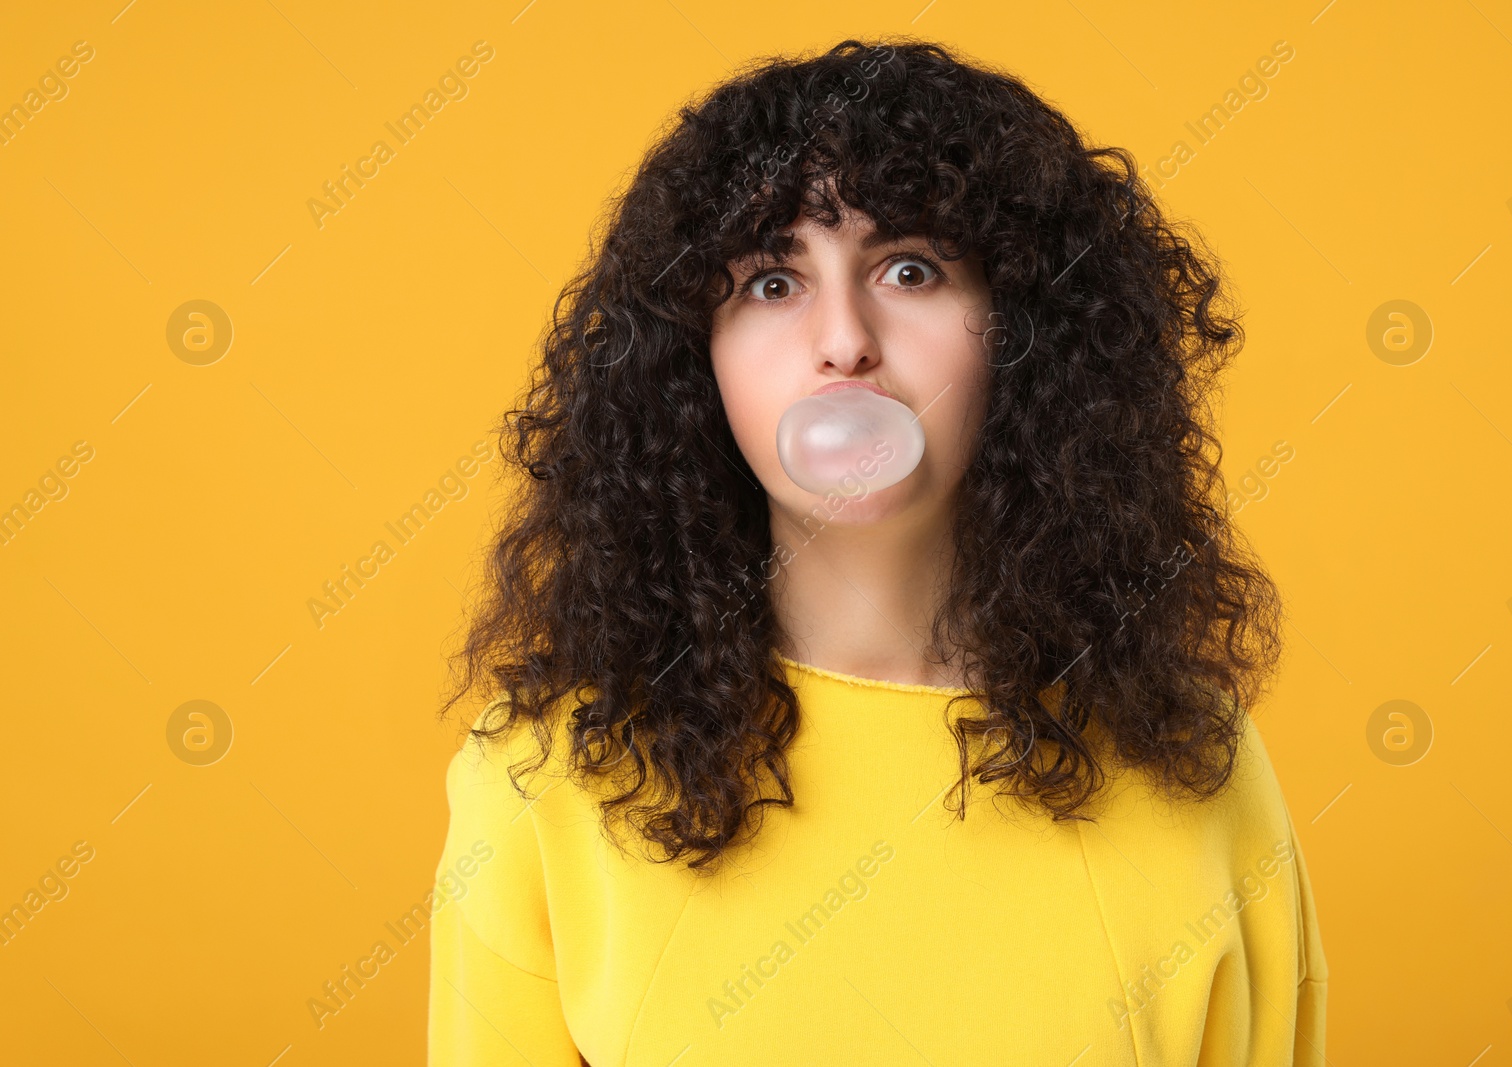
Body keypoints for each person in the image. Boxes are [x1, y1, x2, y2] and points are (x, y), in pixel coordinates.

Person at [428, 37, 1327, 1066]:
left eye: (910, 269)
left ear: (1019, 331)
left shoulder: (1192, 767)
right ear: (693, 358)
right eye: (772, 281)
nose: (843, 338)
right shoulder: (546, 778)